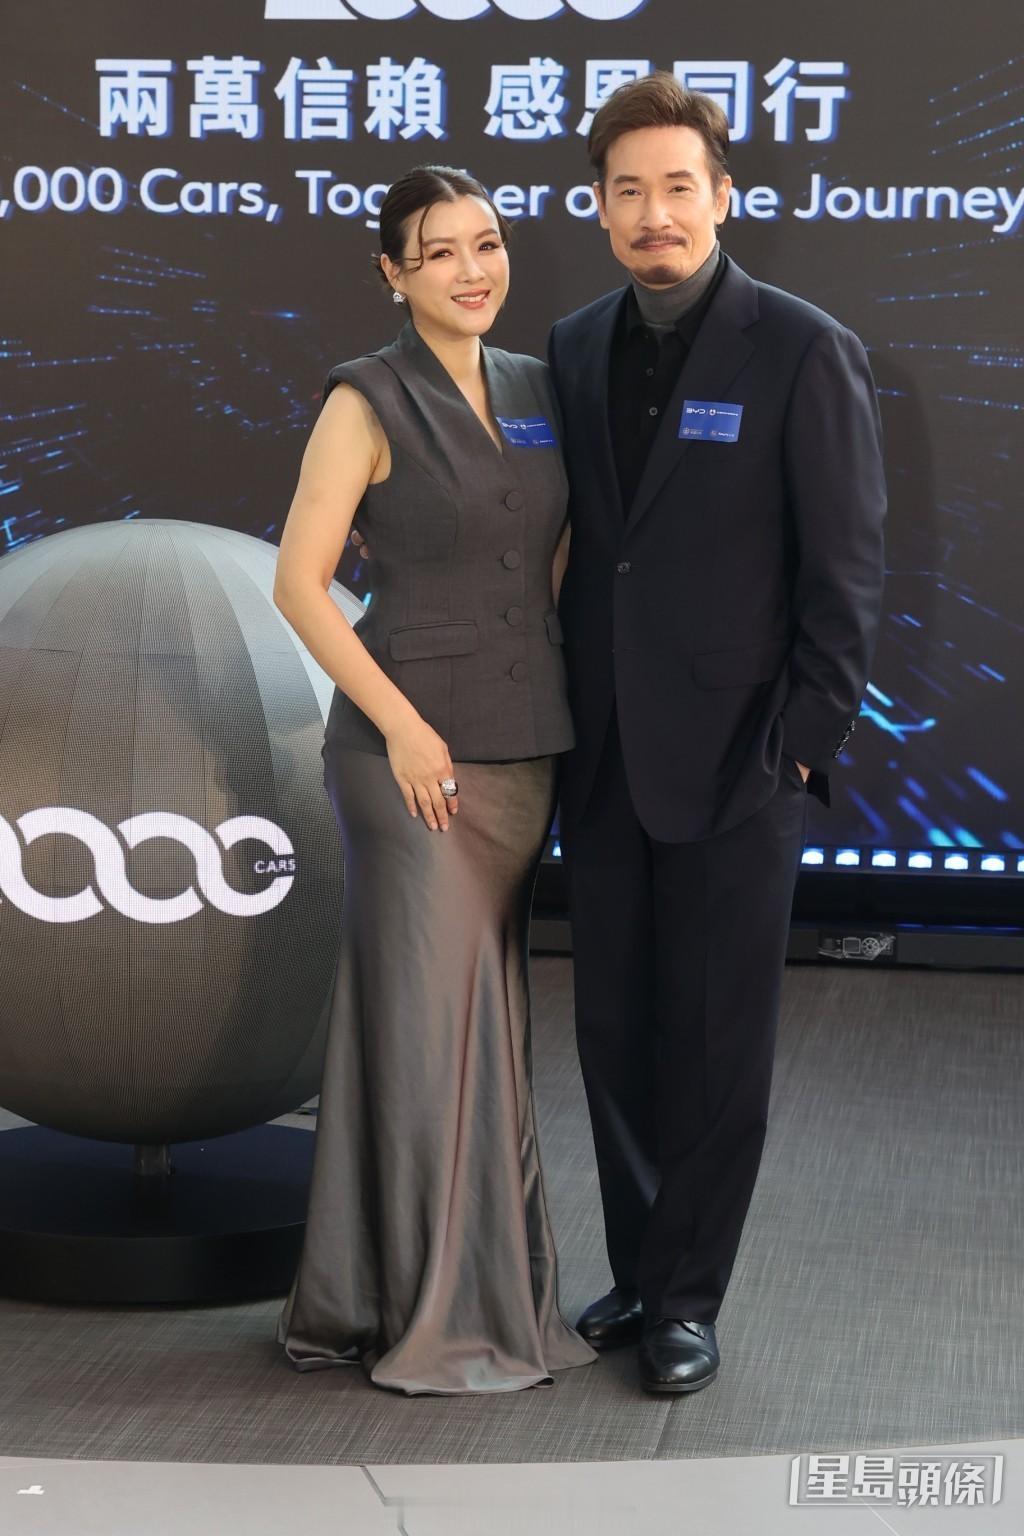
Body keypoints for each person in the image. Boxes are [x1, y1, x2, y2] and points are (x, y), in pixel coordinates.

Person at [548, 75, 887, 1393]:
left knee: (715, 1046)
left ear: (722, 197)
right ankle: (639, 1271)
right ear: (598, 207)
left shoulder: (801, 348)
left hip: (741, 761)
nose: (655, 213)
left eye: (677, 186)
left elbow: (844, 575)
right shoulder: (575, 344)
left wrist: (798, 744)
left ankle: (689, 1298)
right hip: (603, 756)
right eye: (628, 190)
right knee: (614, 1037)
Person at [272, 164, 595, 1396]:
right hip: (408, 760)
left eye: (488, 244)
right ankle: (437, 1310)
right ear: (392, 273)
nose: (473, 270)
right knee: (431, 1035)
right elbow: (300, 584)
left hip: (525, 744)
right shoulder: (365, 397)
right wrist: (402, 726)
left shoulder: (537, 386)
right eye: (441, 251)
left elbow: (549, 558)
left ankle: (412, 1290)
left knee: (479, 1028)